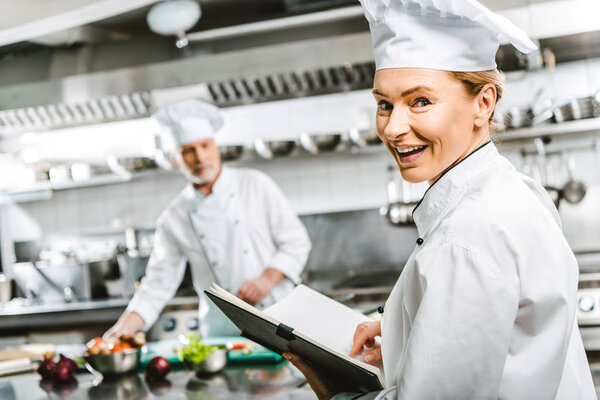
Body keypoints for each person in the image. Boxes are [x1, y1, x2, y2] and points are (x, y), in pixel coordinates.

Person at [285, 0, 596, 399]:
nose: (393, 128)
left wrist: (337, 393)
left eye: (421, 101)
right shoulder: (513, 191)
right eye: (384, 104)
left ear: (483, 104)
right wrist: (406, 328)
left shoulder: (466, 237)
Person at [105, 99, 311, 338]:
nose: (200, 157)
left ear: (216, 147)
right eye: (188, 151)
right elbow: (157, 284)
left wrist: (266, 280)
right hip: (223, 332)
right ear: (176, 159)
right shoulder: (174, 217)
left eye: (205, 146)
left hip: (279, 319)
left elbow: (297, 242)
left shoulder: (255, 185)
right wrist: (121, 330)